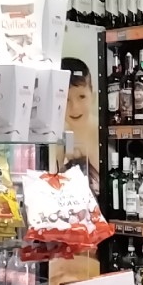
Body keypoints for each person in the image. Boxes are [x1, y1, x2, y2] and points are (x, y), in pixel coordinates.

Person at [60, 57, 99, 195]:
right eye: (65, 99)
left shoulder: (104, 132)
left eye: (81, 97)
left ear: (93, 96)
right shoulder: (58, 136)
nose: (74, 107)